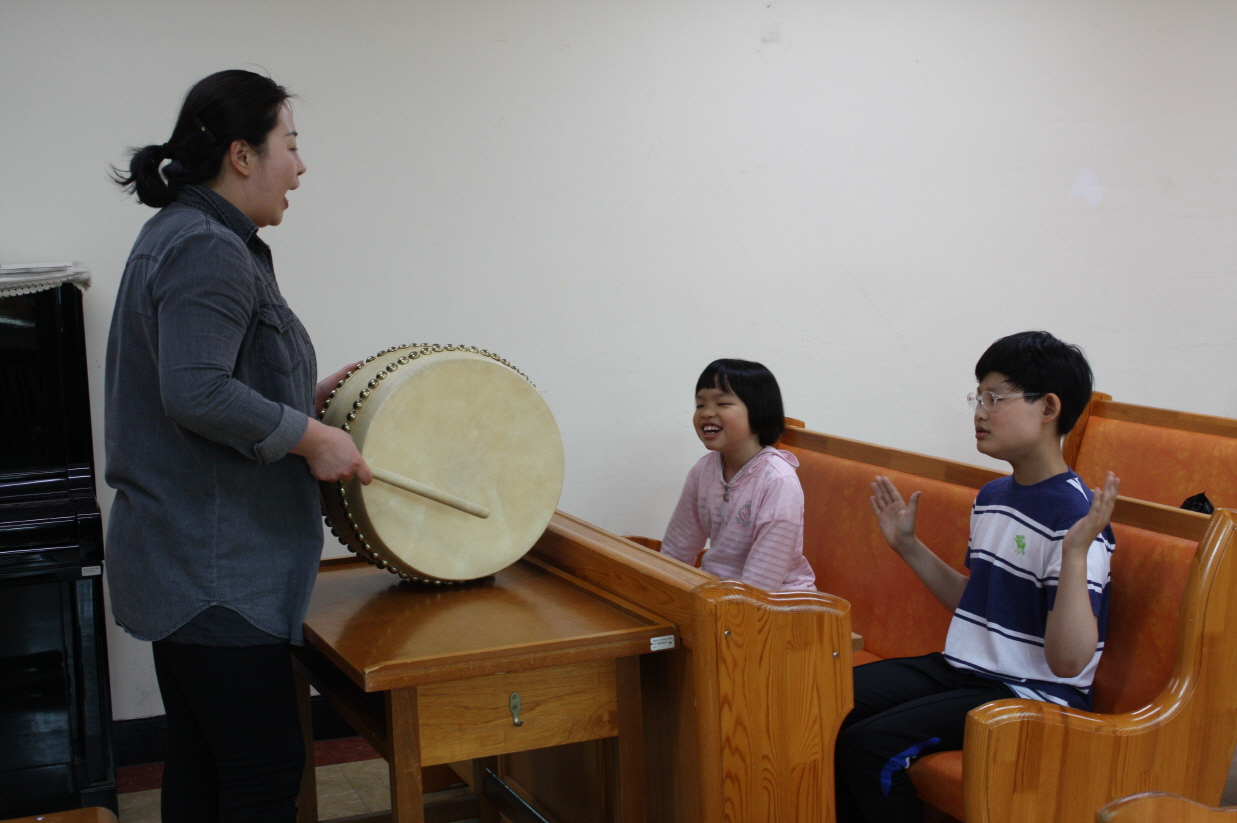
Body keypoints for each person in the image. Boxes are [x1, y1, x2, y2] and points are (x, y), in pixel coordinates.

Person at [106, 70, 372, 822]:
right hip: (213, 571)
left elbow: (210, 377)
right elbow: (195, 392)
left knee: (204, 761)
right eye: (290, 144)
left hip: (188, 562)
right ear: (242, 155)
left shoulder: (190, 234)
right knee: (261, 770)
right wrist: (312, 436)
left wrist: (304, 398)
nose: (301, 165)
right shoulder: (205, 247)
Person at [835, 331, 1119, 823]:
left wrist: (1073, 555)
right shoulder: (993, 495)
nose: (980, 412)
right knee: (829, 697)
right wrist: (908, 547)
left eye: (995, 397)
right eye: (978, 397)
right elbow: (981, 603)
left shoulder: (1076, 518)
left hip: (1032, 694)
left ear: (1049, 407)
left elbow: (1069, 663)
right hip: (967, 667)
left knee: (870, 745)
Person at [660, 358, 816, 592]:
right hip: (720, 595)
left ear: (758, 412)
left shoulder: (778, 481)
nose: (707, 413)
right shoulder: (703, 470)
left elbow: (762, 583)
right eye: (700, 405)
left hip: (777, 606)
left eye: (722, 403)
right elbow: (676, 551)